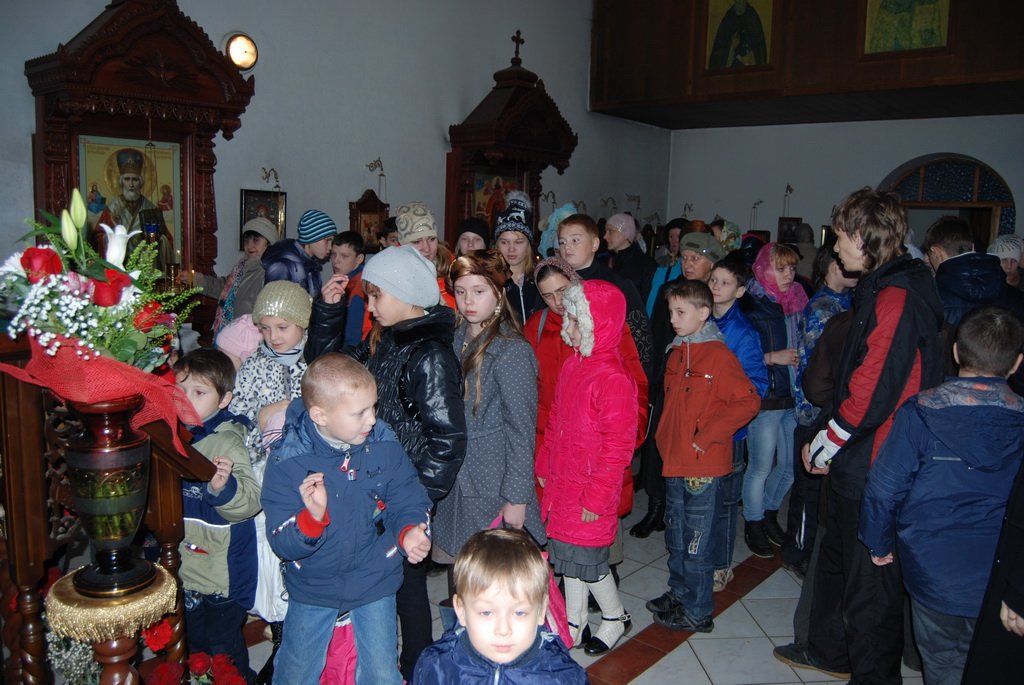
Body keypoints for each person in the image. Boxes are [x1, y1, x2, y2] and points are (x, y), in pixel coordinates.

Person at [773, 188, 945, 684]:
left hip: (877, 459)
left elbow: (873, 389)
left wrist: (827, 442)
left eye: (842, 235)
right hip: (860, 455)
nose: (835, 245)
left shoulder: (898, 295)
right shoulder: (883, 285)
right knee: (838, 560)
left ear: (866, 238)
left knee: (870, 589)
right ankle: (830, 651)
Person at [306, 244, 467, 680]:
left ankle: (416, 664)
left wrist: (414, 501)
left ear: (407, 294)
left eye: (377, 296)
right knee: (386, 585)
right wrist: (328, 314)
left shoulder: (430, 355)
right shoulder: (385, 338)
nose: (371, 306)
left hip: (401, 492)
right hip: (371, 485)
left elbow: (448, 439)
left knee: (407, 589)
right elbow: (328, 374)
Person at [860, 306, 1024, 685]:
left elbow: (885, 487)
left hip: (934, 567)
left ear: (955, 351)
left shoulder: (922, 411)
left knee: (943, 663)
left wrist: (878, 541)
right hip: (1002, 574)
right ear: (1016, 363)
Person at [260, 353, 432, 684]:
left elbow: (407, 495)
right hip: (315, 583)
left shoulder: (382, 442)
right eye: (359, 413)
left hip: (375, 576)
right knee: (297, 671)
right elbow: (281, 540)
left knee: (382, 673)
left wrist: (410, 530)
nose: (372, 420)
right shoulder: (289, 461)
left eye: (373, 407)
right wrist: (311, 519)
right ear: (320, 415)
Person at [433, 250, 545, 618]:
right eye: (461, 291)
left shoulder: (511, 351)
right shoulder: (455, 338)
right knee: (459, 576)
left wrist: (517, 497)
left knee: (488, 581)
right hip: (456, 480)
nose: (468, 301)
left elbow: (521, 430)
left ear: (498, 293)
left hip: (491, 482)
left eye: (479, 291)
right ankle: (458, 643)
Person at [647, 280, 760, 633]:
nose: (673, 319)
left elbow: (748, 401)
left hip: (702, 465)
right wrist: (664, 440)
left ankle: (698, 610)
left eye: (681, 312)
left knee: (696, 540)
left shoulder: (718, 356)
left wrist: (706, 437)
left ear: (703, 313)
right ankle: (680, 592)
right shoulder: (677, 351)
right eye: (671, 312)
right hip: (675, 460)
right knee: (677, 534)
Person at [536, 280, 636, 655]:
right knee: (568, 557)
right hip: (565, 482)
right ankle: (575, 620)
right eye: (571, 320)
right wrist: (544, 460)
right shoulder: (573, 366)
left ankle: (614, 616)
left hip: (591, 489)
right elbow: (556, 419)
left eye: (578, 322)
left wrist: (598, 495)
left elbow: (618, 448)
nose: (570, 327)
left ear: (600, 326)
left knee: (590, 562)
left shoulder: (614, 379)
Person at [174, 348, 262, 683]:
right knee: (194, 645)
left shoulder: (227, 443)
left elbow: (250, 501)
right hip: (184, 566)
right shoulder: (173, 435)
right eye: (180, 390)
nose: (186, 400)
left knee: (224, 651)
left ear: (224, 400)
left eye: (199, 392)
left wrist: (223, 488)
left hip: (221, 575)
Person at [412, 528, 587, 684]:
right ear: (461, 611)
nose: (503, 630)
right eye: (487, 612)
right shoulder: (435, 666)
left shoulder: (565, 677)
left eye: (519, 613)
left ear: (541, 610)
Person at [781, 246, 857, 578]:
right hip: (815, 411)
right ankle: (796, 550)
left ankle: (812, 550)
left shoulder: (847, 303)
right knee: (808, 488)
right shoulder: (823, 307)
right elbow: (814, 367)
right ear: (832, 267)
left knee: (822, 490)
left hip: (832, 410)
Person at [741, 242, 806, 558]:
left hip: (792, 396)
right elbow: (739, 355)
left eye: (792, 268)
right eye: (781, 268)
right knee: (761, 466)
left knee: (791, 466)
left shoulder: (798, 299)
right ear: (765, 269)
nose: (788, 274)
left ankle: (768, 511)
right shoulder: (751, 304)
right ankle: (753, 522)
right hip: (766, 397)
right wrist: (772, 357)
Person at [707, 256, 768, 591]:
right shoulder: (700, 320)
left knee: (726, 502)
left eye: (725, 283)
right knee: (702, 498)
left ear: (740, 291)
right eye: (713, 280)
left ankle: (721, 565)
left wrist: (723, 409)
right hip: (700, 426)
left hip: (729, 431)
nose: (716, 287)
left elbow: (756, 386)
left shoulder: (743, 332)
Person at [192, 217, 277, 334]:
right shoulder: (241, 267)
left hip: (249, 337)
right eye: (247, 241)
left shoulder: (270, 273)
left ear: (269, 243)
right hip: (230, 332)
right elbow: (224, 287)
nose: (249, 246)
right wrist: (196, 279)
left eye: (256, 240)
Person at [493, 191, 543, 326]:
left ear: (529, 245)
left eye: (519, 242)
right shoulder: (490, 281)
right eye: (504, 242)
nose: (511, 249)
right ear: (497, 245)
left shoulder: (541, 278)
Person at [262, 208, 337, 297]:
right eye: (327, 240)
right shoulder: (282, 266)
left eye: (331, 241)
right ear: (312, 238)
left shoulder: (313, 266)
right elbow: (272, 303)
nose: (330, 247)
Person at [396, 201, 456, 309]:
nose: (427, 248)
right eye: (417, 241)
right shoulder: (390, 278)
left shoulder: (454, 271)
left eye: (432, 239)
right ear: (403, 245)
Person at [329, 231, 370, 347]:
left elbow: (353, 336)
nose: (336, 261)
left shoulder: (357, 287)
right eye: (333, 254)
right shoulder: (344, 279)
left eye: (344, 256)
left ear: (359, 258)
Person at [605, 213, 655, 302]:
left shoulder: (645, 264)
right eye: (606, 231)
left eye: (611, 231)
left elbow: (647, 299)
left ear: (626, 233)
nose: (605, 236)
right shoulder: (603, 261)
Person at [708, 0, 767, 68]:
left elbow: (760, 48)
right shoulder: (728, 18)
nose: (740, 3)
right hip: (731, 69)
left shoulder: (752, 17)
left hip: (749, 68)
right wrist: (732, 47)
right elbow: (718, 50)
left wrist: (751, 55)